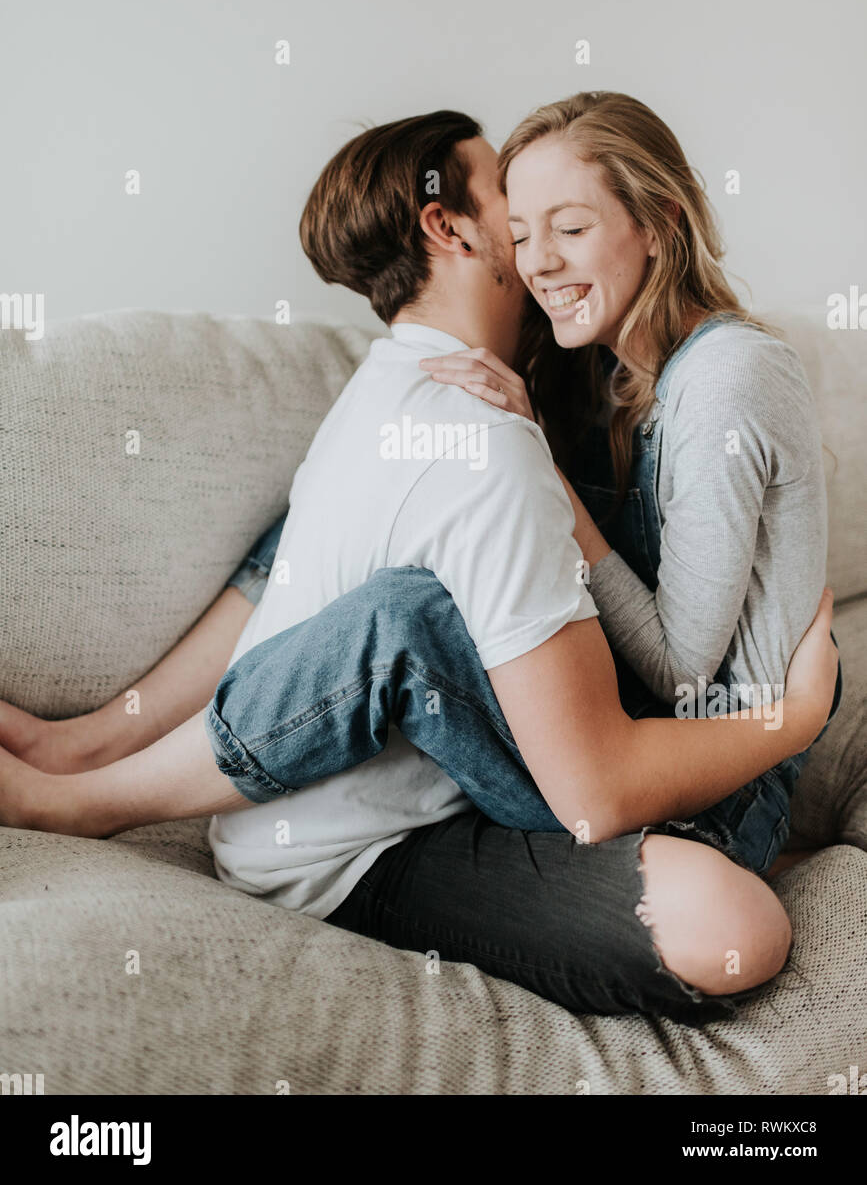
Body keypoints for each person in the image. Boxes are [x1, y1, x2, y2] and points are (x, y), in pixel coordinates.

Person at [0, 105, 838, 1023]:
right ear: (451, 227)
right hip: (568, 756)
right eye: (518, 228)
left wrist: (789, 725)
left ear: (656, 222)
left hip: (682, 757)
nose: (538, 260)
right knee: (364, 571)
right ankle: (85, 757)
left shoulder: (661, 386)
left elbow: (656, 701)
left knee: (404, 620)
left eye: (566, 227)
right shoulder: (507, 391)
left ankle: (87, 777)